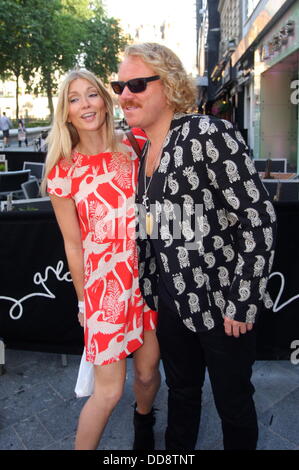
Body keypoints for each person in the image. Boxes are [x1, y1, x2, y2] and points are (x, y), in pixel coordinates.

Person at [113, 42, 277, 450]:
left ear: (168, 85)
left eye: (136, 84)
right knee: (181, 395)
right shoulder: (145, 149)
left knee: (233, 405)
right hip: (170, 303)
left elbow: (258, 217)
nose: (124, 94)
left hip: (223, 305)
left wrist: (243, 300)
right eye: (119, 85)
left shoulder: (206, 133)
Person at [42, 68, 160, 450]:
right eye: (74, 99)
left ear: (104, 101)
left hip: (147, 281)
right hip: (104, 291)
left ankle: (144, 422)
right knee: (107, 393)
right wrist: (82, 301)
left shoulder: (134, 145)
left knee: (146, 375)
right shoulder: (63, 171)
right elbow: (73, 244)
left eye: (91, 94)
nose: (85, 104)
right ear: (66, 112)